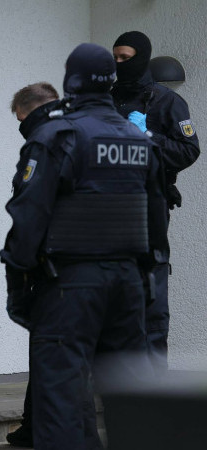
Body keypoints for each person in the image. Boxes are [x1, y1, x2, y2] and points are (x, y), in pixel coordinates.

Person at [0, 43, 167, 450]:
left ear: (71, 80)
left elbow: (28, 220)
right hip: (128, 285)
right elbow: (156, 222)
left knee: (62, 401)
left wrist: (18, 287)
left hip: (70, 286)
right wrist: (147, 284)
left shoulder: (57, 137)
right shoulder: (140, 140)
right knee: (129, 399)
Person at [111, 31, 200, 375]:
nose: (120, 64)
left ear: (143, 57)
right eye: (115, 58)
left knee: (150, 294)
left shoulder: (165, 101)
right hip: (103, 211)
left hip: (147, 209)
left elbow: (188, 151)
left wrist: (148, 137)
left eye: (126, 58)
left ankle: (152, 384)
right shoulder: (105, 100)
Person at [3, 82, 61, 448]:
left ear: (32, 111)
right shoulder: (87, 135)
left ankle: (43, 430)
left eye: (20, 120)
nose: (22, 128)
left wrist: (17, 276)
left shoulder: (44, 144)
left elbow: (29, 215)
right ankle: (34, 424)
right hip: (104, 271)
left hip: (56, 271)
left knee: (50, 354)